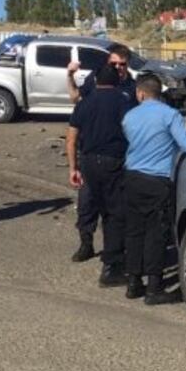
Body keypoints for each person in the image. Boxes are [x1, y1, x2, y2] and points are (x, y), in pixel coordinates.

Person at [122, 73, 186, 305]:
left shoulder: (129, 116)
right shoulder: (170, 115)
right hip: (156, 181)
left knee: (134, 232)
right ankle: (154, 287)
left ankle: (133, 282)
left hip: (132, 177)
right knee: (156, 234)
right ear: (159, 93)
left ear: (140, 93)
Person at [66, 43, 137, 263]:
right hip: (91, 155)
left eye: (122, 64)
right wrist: (69, 76)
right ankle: (86, 243)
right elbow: (76, 99)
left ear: (128, 65)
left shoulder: (133, 89)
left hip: (119, 157)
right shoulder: (97, 80)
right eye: (114, 64)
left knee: (115, 208)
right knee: (87, 203)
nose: (118, 68)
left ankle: (114, 250)